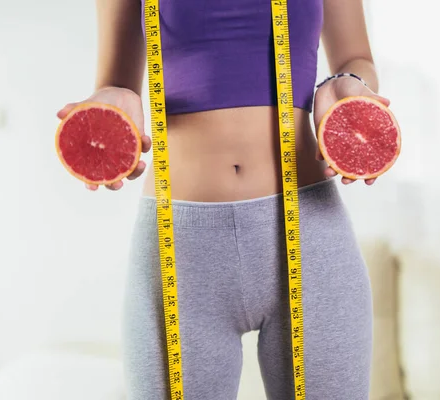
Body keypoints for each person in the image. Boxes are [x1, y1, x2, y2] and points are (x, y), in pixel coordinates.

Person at [56, 0, 391, 399]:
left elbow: (356, 58)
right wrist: (111, 106)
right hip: (180, 246)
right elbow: (116, 80)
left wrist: (349, 88)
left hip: (308, 233)